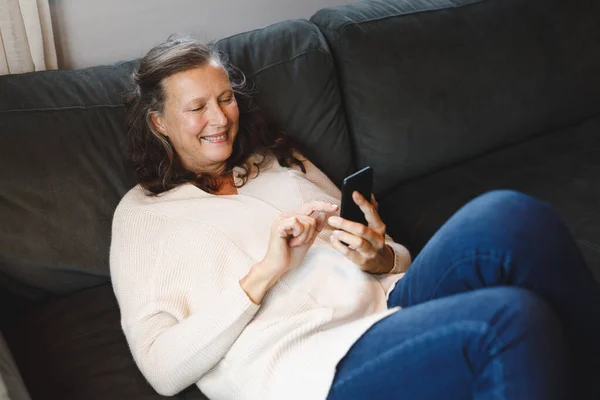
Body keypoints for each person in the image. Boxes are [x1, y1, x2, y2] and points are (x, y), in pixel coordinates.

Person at [110, 36, 600, 400]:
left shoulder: (276, 160)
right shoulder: (143, 218)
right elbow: (162, 370)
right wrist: (265, 271)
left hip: (389, 306)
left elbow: (394, 258)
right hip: (314, 365)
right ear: (158, 122)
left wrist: (380, 255)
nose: (219, 119)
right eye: (197, 107)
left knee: (511, 216)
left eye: (225, 98)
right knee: (511, 319)